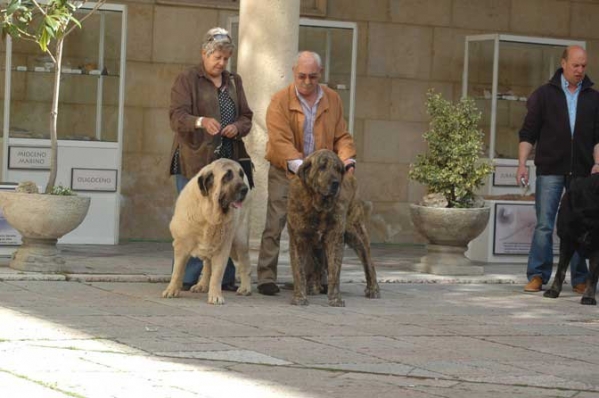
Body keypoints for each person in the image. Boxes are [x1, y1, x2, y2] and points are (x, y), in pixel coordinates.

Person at [256, 51, 356, 296]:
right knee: (276, 220)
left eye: (312, 76)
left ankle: (316, 278)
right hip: (288, 170)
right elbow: (279, 141)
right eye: (302, 76)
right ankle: (266, 277)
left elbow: (342, 135)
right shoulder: (280, 100)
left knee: (321, 223)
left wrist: (346, 160)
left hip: (320, 175)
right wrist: (302, 168)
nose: (307, 81)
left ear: (320, 74)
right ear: (294, 73)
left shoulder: (332, 99)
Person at [168, 27, 253, 291]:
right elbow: (176, 116)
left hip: (228, 161)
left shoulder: (234, 81)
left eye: (225, 58)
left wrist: (237, 127)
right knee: (194, 221)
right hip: (195, 162)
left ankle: (222, 278)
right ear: (204, 54)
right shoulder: (188, 79)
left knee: (225, 220)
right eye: (217, 57)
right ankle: (189, 277)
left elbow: (247, 117)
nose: (221, 63)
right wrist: (201, 121)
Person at [517, 45, 599, 293]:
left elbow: (598, 136)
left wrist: (597, 163)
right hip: (550, 169)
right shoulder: (544, 94)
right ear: (563, 63)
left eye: (583, 65)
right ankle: (538, 275)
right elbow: (528, 133)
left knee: (583, 224)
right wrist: (522, 163)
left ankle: (580, 279)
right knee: (545, 224)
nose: (580, 70)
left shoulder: (594, 98)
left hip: (583, 173)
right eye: (575, 65)